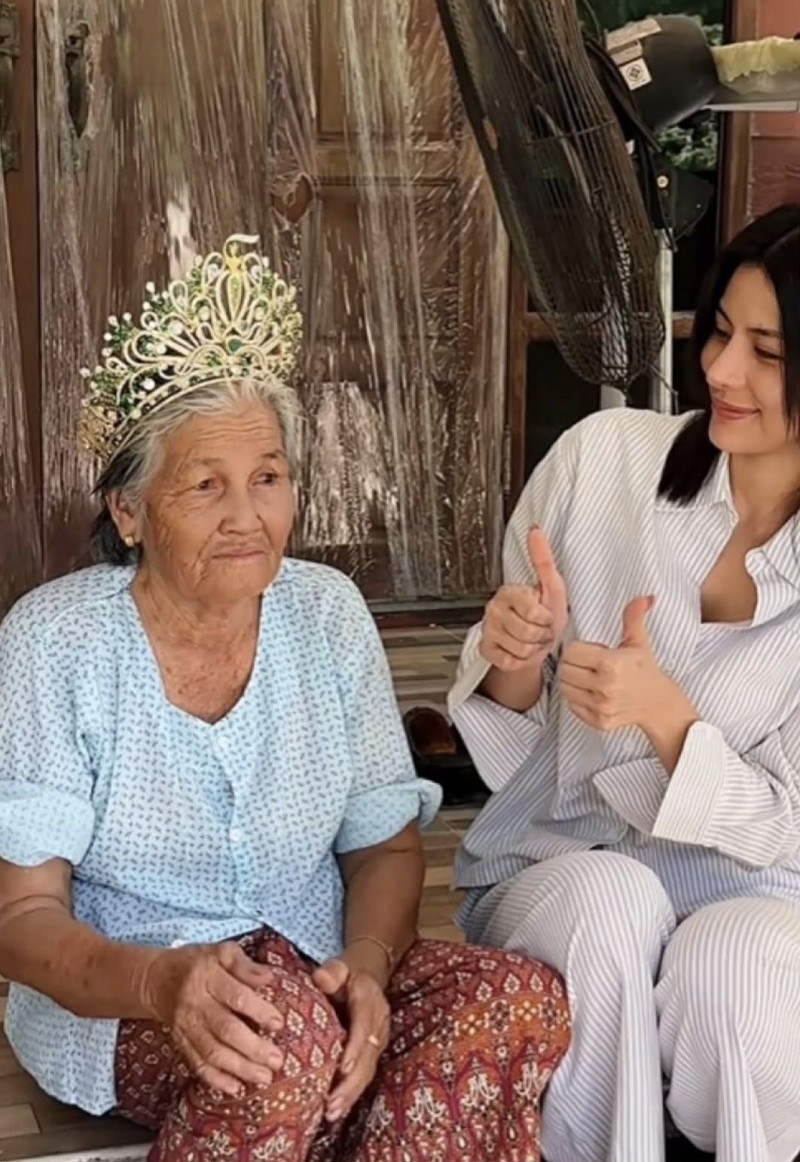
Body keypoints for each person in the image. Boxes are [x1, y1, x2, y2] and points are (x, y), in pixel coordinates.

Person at [0, 235, 569, 1162]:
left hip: (318, 970)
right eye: (205, 485)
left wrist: (369, 972)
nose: (247, 517)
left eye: (267, 478)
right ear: (129, 512)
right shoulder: (56, 639)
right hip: (129, 997)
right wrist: (160, 983)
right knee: (283, 1045)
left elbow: (383, 843)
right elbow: (21, 920)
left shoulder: (327, 612)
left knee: (515, 1000)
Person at [449, 201, 800, 1162]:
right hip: (558, 872)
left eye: (767, 352)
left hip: (762, 899)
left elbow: (788, 827)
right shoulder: (602, 462)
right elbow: (510, 754)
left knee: (735, 964)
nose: (720, 370)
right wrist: (514, 658)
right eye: (719, 331)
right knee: (615, 902)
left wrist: (673, 727)